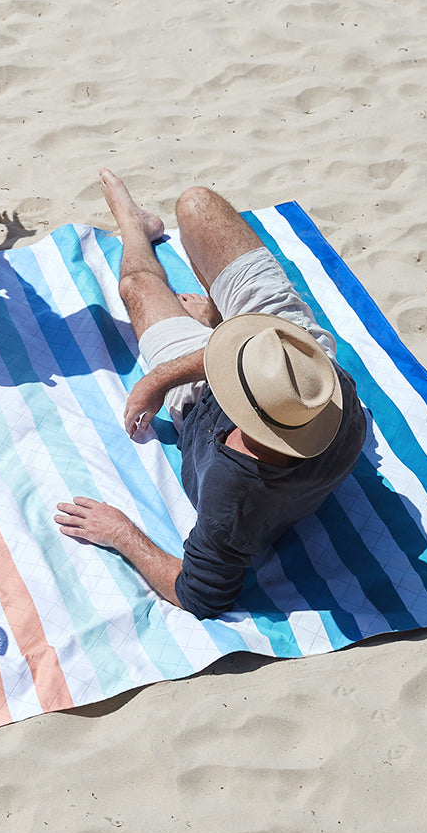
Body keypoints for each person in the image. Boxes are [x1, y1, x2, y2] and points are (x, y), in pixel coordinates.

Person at [54, 171, 368, 619]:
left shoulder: (231, 494)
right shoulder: (322, 390)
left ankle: (134, 227)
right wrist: (163, 375)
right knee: (196, 205)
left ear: (237, 400)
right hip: (289, 347)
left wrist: (122, 534)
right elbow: (273, 356)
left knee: (137, 288)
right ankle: (218, 316)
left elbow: (200, 596)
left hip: (207, 398)